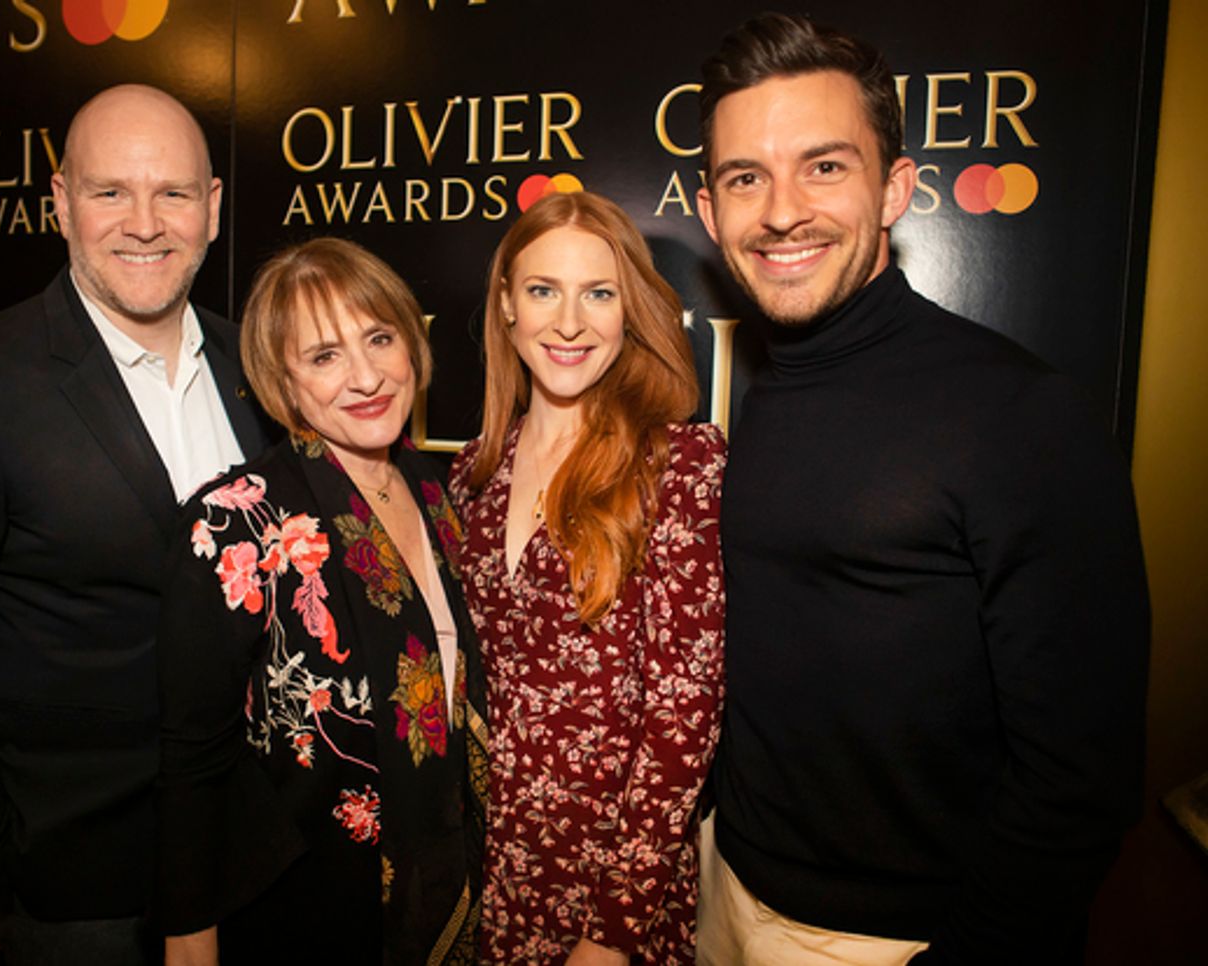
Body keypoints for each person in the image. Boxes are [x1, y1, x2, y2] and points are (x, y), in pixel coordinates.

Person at [693, 13, 1150, 965]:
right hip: (725, 892)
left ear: (896, 187)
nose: (781, 211)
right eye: (747, 178)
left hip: (894, 938)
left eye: (824, 166)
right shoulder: (764, 394)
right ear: (709, 210)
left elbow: (1081, 779)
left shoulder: (1022, 416)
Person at [0, 84, 271, 964]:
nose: (145, 223)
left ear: (215, 209)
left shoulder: (258, 368)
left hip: (259, 865)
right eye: (110, 191)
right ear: (60, 202)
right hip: (83, 898)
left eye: (175, 194)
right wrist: (3, 861)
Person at [156, 237, 487, 965]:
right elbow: (190, 760)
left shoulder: (441, 493)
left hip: (449, 891)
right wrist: (190, 941)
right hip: (301, 915)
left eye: (379, 338)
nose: (366, 376)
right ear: (284, 381)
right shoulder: (236, 525)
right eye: (324, 356)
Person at [449, 190, 726, 964]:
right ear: (506, 305)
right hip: (479, 876)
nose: (569, 322)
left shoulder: (678, 465)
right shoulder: (472, 473)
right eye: (543, 290)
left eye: (598, 293)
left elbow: (683, 723)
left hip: (606, 890)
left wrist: (611, 932)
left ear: (627, 310)